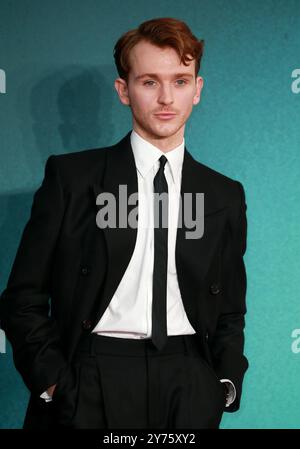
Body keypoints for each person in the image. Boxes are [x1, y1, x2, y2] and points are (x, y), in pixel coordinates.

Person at [0, 17, 248, 429]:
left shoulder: (223, 194)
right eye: (149, 81)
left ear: (197, 90)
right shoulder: (73, 179)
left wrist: (220, 384)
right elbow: (22, 297)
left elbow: (230, 309)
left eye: (181, 80)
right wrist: (56, 385)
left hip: (188, 380)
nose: (167, 97)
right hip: (91, 377)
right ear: (124, 91)